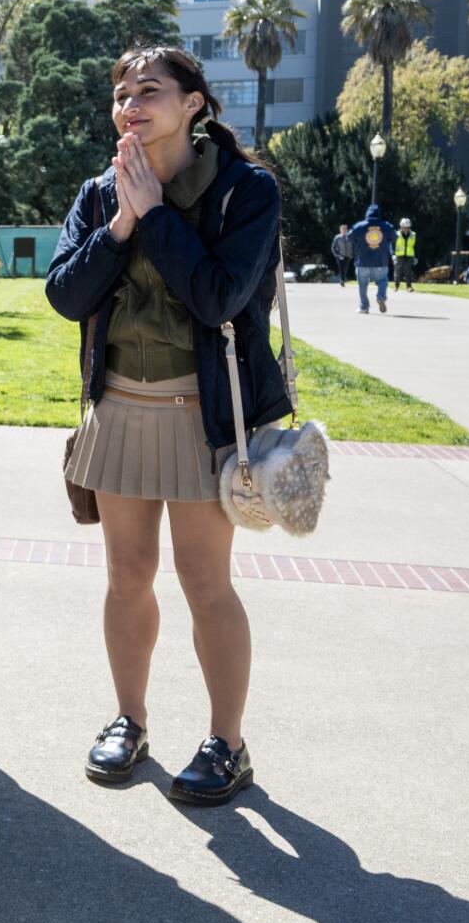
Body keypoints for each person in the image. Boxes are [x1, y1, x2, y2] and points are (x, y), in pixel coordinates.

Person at [46, 46, 289, 806]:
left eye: (150, 90)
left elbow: (218, 296)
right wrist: (120, 219)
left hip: (203, 413)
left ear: (195, 105)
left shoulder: (244, 191)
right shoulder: (98, 192)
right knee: (125, 576)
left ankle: (228, 742)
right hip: (119, 405)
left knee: (205, 582)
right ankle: (130, 718)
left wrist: (155, 212)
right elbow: (64, 293)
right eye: (122, 92)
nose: (131, 103)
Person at [349, 204, 397, 314]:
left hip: (362, 261)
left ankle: (364, 306)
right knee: (382, 281)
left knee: (362, 285)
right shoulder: (387, 226)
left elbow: (349, 237)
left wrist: (358, 244)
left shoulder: (359, 226)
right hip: (380, 261)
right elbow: (394, 238)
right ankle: (381, 296)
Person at [393, 217, 418, 290]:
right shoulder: (396, 234)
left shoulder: (413, 234)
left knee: (408, 272)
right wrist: (393, 254)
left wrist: (415, 257)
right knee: (397, 272)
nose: (406, 229)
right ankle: (396, 286)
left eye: (407, 227)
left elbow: (416, 246)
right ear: (401, 226)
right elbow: (392, 245)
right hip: (399, 255)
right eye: (404, 227)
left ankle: (409, 287)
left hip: (409, 255)